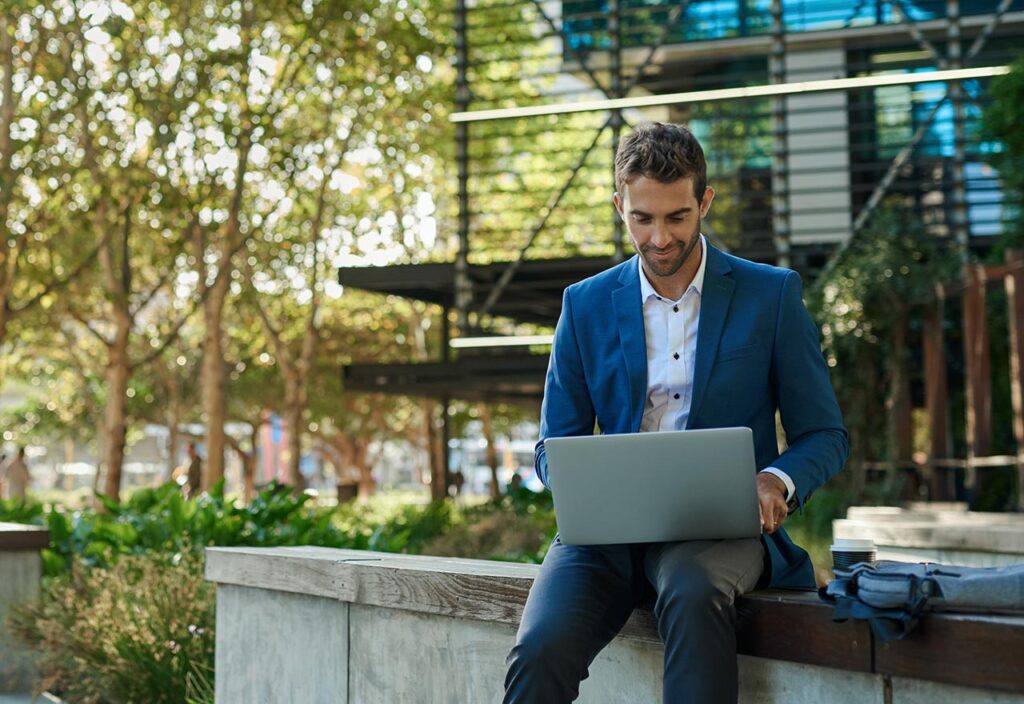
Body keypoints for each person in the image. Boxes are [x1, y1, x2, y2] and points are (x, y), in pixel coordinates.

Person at [503, 123, 848, 703]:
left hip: (716, 531)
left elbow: (825, 434)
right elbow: (551, 444)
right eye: (642, 218)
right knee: (540, 648)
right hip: (604, 536)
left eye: (677, 217)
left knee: (691, 593)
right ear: (620, 206)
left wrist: (774, 480)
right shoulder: (582, 305)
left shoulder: (771, 295)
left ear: (704, 202)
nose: (660, 238)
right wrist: (581, 488)